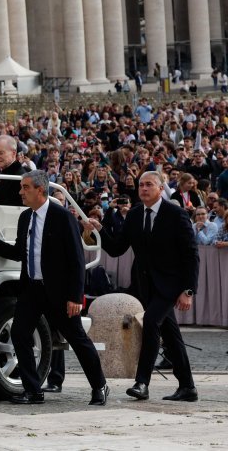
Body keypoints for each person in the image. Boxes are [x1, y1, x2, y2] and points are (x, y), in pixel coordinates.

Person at [0, 170, 108, 405]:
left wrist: (75, 297)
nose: (21, 192)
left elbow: (77, 261)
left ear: (40, 190)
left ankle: (100, 385)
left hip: (59, 292)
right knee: (20, 334)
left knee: (77, 339)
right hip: (32, 290)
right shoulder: (25, 217)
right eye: (21, 187)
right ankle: (33, 390)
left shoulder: (63, 217)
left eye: (25, 187)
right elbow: (19, 252)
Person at [87, 171, 198, 402]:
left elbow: (191, 255)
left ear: (160, 188)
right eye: (141, 185)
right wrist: (99, 230)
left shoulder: (175, 214)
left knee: (150, 322)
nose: (143, 189)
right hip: (145, 285)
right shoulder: (135, 214)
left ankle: (142, 383)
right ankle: (188, 386)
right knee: (170, 333)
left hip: (171, 285)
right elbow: (117, 248)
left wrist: (188, 290)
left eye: (149, 185)